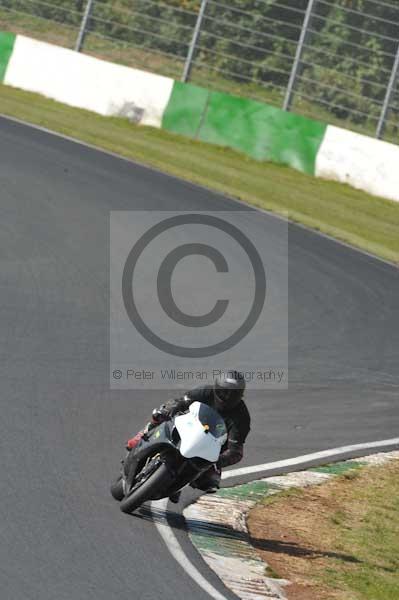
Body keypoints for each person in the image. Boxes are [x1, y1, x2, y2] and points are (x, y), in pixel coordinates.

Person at [126, 370, 251, 502]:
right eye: (223, 392)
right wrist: (170, 409)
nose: (226, 397)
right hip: (187, 427)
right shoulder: (205, 391)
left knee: (210, 481)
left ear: (240, 396)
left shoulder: (242, 418)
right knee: (160, 413)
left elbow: (236, 450)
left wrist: (217, 460)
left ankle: (178, 485)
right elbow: (181, 401)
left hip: (209, 449)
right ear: (216, 388)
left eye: (233, 395)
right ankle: (143, 434)